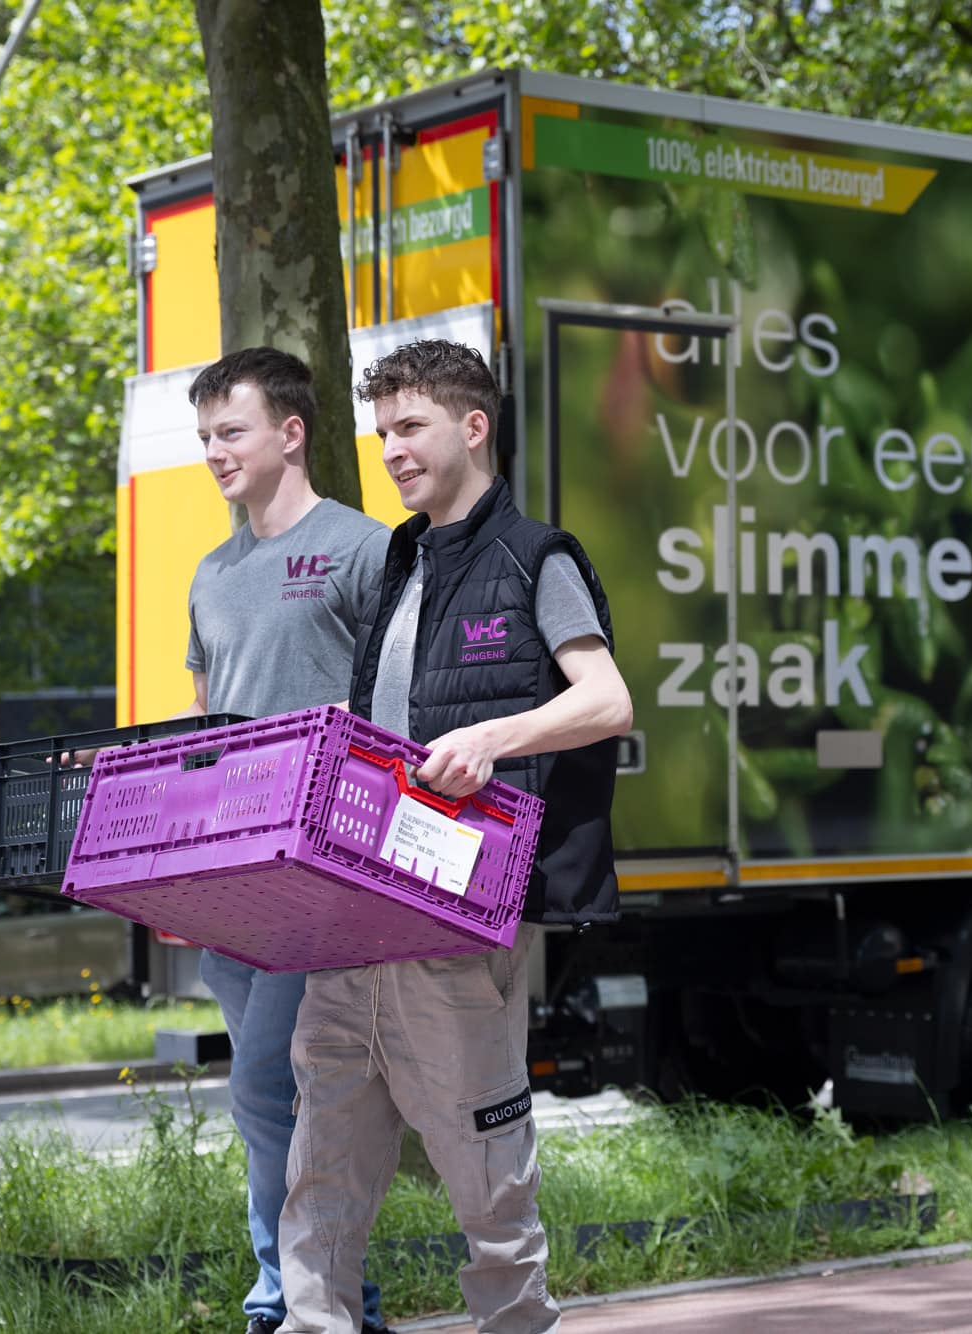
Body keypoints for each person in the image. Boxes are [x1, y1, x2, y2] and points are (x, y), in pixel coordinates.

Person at [274, 340, 633, 1334]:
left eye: (410, 426)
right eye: (381, 429)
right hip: (355, 910)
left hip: (461, 909)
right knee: (323, 1165)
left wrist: (488, 735)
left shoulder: (537, 557)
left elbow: (605, 700)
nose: (390, 449)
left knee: (483, 1173)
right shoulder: (399, 558)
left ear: (472, 427)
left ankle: (516, 1322)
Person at [179, 346, 396, 1334]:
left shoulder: (361, 547)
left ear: (290, 431)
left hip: (323, 868)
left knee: (268, 1074)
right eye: (205, 437)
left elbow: (397, 708)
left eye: (231, 431)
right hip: (231, 872)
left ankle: (287, 1297)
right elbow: (206, 711)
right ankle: (329, 1293)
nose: (215, 452)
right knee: (268, 1100)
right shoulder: (211, 573)